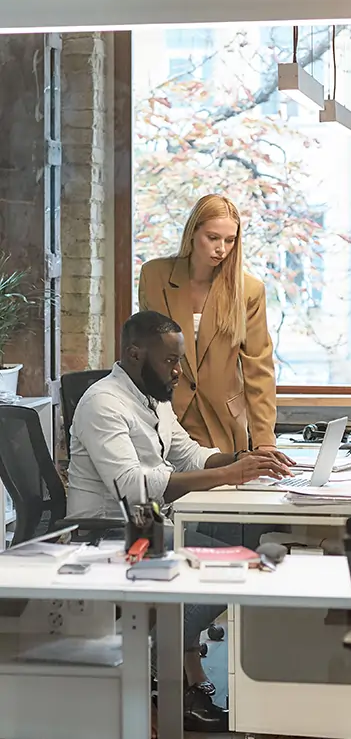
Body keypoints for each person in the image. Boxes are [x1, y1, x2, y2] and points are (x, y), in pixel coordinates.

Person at [67, 310, 294, 733]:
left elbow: (187, 453)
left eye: (179, 361)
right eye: (170, 361)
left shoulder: (153, 397)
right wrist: (225, 476)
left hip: (147, 519)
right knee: (231, 563)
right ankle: (154, 667)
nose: (178, 371)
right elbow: (132, 487)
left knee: (244, 533)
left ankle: (179, 669)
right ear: (135, 355)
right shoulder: (103, 403)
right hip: (109, 531)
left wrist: (243, 459)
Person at [138, 194, 278, 454]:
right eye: (213, 238)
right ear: (193, 233)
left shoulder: (249, 290)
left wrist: (264, 442)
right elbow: (142, 354)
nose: (221, 249)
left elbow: (259, 370)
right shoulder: (154, 276)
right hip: (165, 417)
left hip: (223, 423)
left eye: (230, 240)